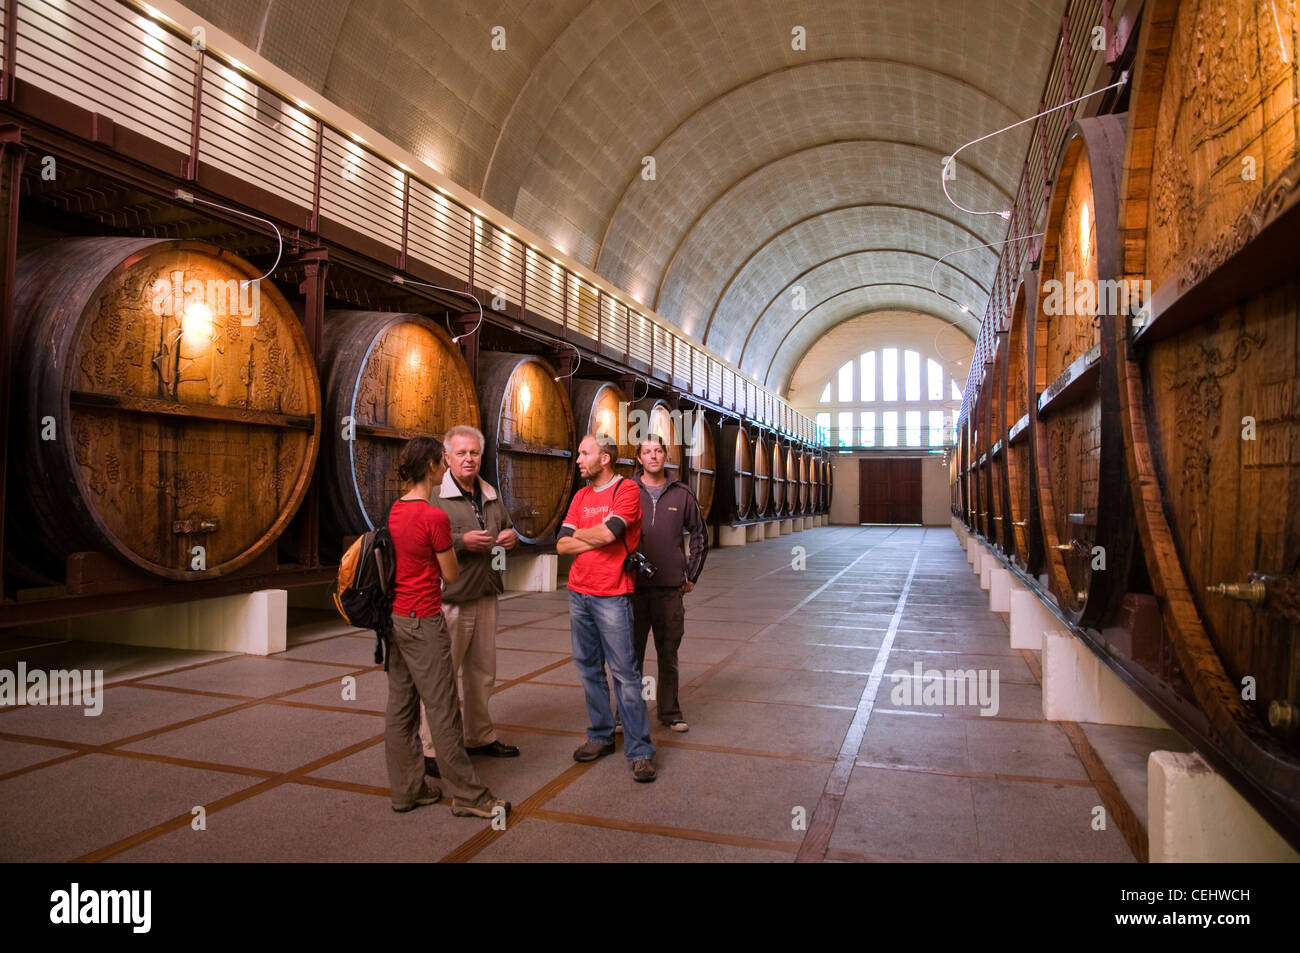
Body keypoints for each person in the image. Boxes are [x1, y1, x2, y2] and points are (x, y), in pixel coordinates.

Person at [384, 436, 510, 819]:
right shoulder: (434, 516)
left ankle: (407, 791)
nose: (445, 468)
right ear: (433, 466)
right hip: (426, 619)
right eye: (442, 461)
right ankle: (470, 797)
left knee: (400, 710)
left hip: (397, 619)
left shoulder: (396, 510)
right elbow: (451, 575)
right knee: (443, 710)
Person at [418, 424, 520, 779]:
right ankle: (431, 747)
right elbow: (424, 543)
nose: (468, 459)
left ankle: (479, 736)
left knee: (482, 673)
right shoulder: (435, 495)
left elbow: (507, 527)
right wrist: (462, 542)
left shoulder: (489, 492)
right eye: (461, 453)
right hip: (451, 598)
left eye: (474, 452)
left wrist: (509, 539)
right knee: (443, 676)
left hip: (486, 593)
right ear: (447, 458)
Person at [556, 434, 658, 782]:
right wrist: (596, 533)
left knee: (625, 674)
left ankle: (640, 751)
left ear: (605, 458)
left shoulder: (626, 491)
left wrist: (586, 534)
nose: (579, 459)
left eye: (585, 453)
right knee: (588, 669)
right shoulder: (581, 495)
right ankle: (600, 736)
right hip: (578, 593)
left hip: (613, 594)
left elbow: (609, 535)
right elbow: (560, 544)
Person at [632, 434, 707, 732]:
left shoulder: (682, 494)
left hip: (669, 589)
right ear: (639, 458)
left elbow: (700, 535)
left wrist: (692, 573)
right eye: (647, 452)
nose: (653, 456)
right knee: (630, 655)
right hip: (633, 589)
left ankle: (670, 712)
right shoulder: (627, 491)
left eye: (658, 451)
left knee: (668, 653)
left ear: (666, 456)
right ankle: (625, 713)